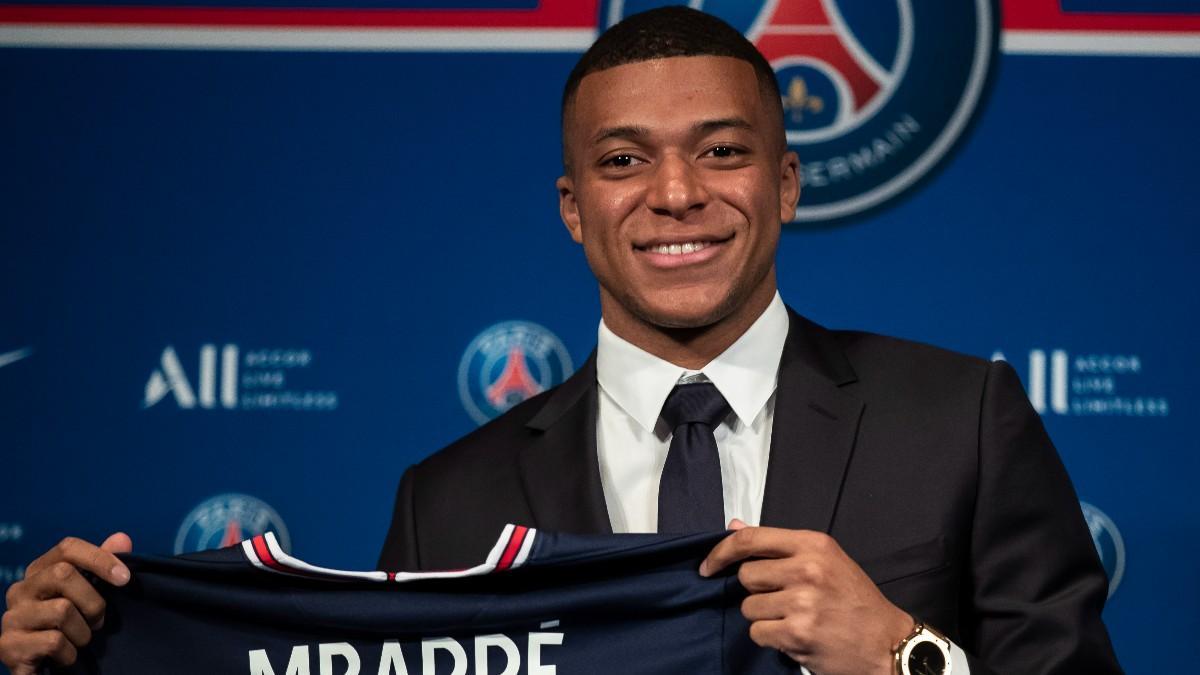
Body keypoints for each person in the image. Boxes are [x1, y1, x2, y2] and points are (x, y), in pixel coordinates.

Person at [1, 7, 1121, 675]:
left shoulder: (959, 420)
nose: (676, 194)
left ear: (785, 184)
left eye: (723, 152)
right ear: (573, 206)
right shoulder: (447, 502)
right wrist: (89, 657)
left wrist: (900, 657)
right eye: (624, 161)